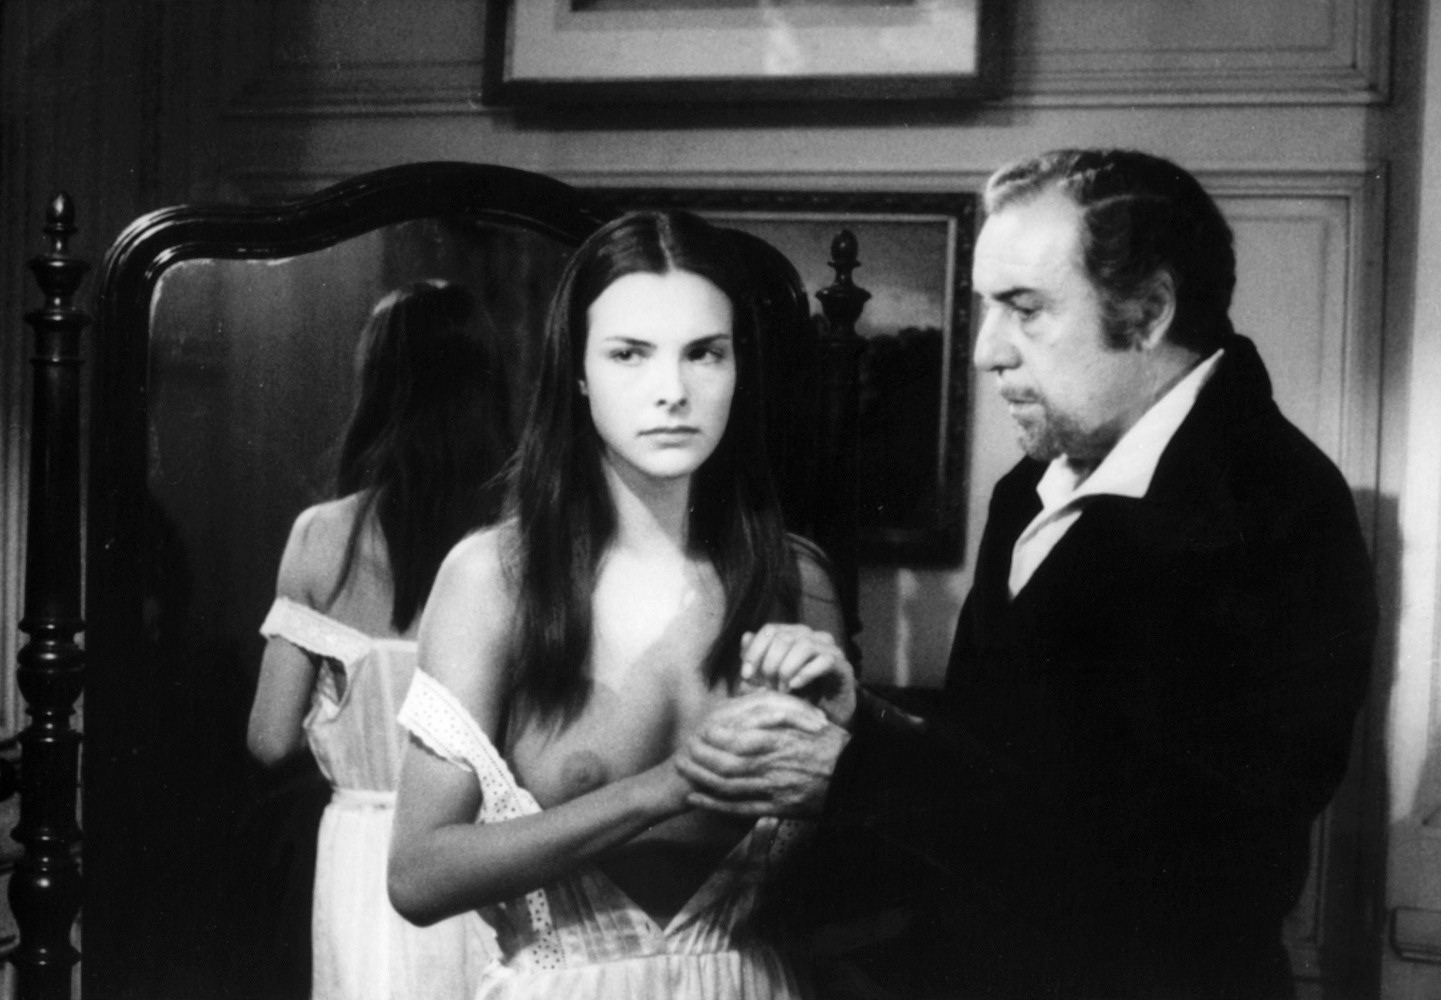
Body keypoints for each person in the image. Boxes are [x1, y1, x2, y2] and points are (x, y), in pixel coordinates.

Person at [678, 149, 1379, 1000]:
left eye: (1024, 309)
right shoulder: (1032, 487)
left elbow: (1193, 864)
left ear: (1148, 310)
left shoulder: (1277, 509)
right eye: (986, 308)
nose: (985, 352)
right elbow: (1009, 754)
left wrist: (853, 774)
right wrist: (868, 720)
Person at [385, 209, 856, 999]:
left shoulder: (795, 581)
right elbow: (416, 876)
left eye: (703, 353)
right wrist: (662, 789)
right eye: (629, 354)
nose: (672, 392)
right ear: (577, 371)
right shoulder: (494, 578)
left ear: (738, 368)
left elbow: (844, 894)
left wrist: (846, 749)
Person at [247, 280, 512, 1000]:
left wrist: (350, 720)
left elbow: (270, 737)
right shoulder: (519, 543)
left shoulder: (320, 537)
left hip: (366, 854)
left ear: (378, 386)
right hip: (486, 851)